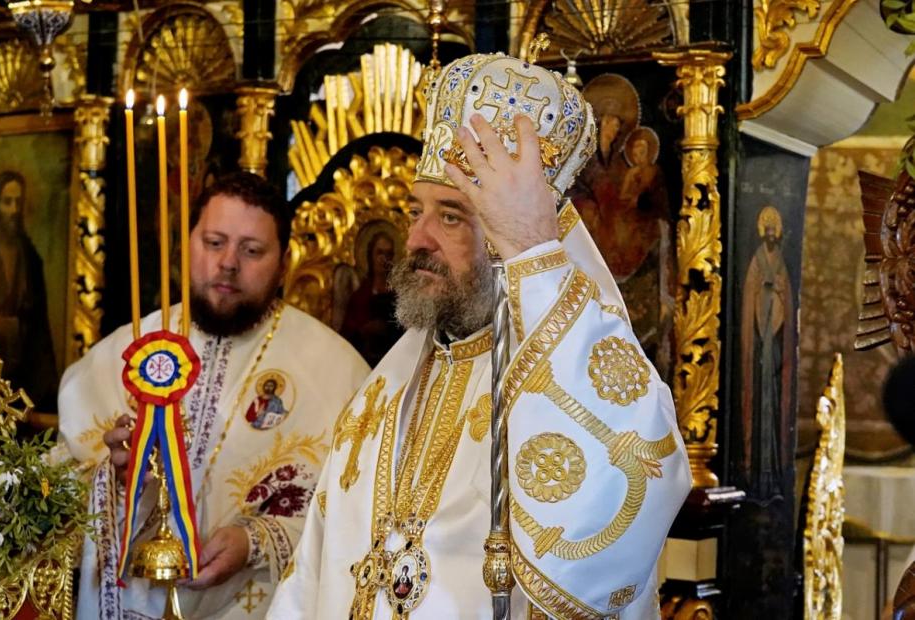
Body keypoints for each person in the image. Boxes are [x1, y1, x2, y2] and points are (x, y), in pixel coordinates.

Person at [268, 53, 690, 619]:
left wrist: (532, 251)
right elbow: (310, 581)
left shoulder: (586, 369)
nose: (415, 239)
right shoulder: (382, 396)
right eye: (416, 211)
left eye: (450, 216)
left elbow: (618, 505)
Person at [58, 172, 369, 619]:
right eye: (214, 242)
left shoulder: (337, 372)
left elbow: (354, 516)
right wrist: (117, 479)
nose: (228, 263)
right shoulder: (124, 351)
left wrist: (255, 541)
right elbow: (58, 498)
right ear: (186, 246)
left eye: (252, 250)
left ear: (284, 263)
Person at [0, 170, 58, 410]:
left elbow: (40, 329)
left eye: (19, 202)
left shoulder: (31, 259)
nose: (14, 210)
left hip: (21, 377)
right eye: (7, 202)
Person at [740, 205, 794, 501]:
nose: (771, 235)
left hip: (774, 339)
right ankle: (751, 472)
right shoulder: (757, 260)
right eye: (768, 230)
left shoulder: (780, 262)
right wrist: (763, 290)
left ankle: (773, 474)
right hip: (760, 338)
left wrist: (777, 292)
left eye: (775, 230)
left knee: (772, 403)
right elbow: (751, 292)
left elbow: (785, 292)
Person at [339, 229, 404, 366]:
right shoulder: (360, 296)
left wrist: (387, 329)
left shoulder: (400, 296)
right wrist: (364, 331)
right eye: (379, 252)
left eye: (388, 253)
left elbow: (406, 335)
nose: (384, 259)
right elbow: (346, 337)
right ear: (370, 255)